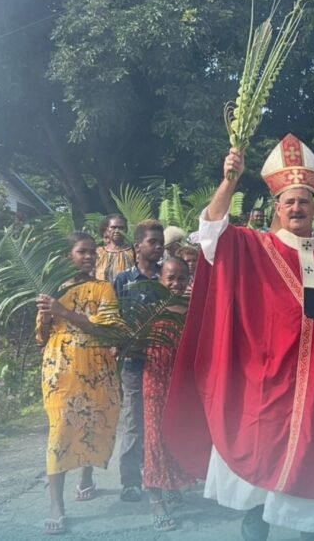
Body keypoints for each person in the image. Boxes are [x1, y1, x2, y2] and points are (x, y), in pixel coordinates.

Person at [163, 135, 314, 541]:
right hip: (266, 386)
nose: (296, 208)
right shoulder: (254, 247)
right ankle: (257, 528)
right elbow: (212, 233)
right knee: (259, 492)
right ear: (277, 208)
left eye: (303, 201)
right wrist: (229, 181)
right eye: (288, 202)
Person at [36, 232, 123, 535]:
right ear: (67, 257)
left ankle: (85, 477)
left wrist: (63, 312)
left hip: (98, 365)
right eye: (81, 252)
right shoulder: (53, 289)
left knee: (95, 421)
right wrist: (46, 313)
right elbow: (42, 335)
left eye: (91, 253)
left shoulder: (104, 288)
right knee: (60, 431)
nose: (88, 257)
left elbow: (107, 329)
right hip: (60, 366)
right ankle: (55, 505)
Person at [110, 219, 166, 504]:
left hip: (163, 361)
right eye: (152, 242)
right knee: (134, 421)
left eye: (161, 243)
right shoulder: (123, 281)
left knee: (163, 421)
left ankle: (162, 477)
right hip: (134, 362)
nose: (158, 247)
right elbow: (113, 318)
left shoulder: (167, 276)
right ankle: (130, 481)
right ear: (137, 247)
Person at [142, 257, 196, 532]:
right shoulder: (149, 310)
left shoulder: (193, 310)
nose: (176, 283)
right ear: (159, 279)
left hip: (182, 382)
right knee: (154, 436)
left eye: (181, 278)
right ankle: (155, 499)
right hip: (155, 381)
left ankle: (171, 479)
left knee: (178, 431)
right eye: (170, 278)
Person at [95, 214, 135, 281]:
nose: (117, 231)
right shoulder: (98, 253)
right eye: (113, 227)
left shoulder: (134, 252)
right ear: (106, 230)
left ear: (126, 230)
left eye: (121, 228)